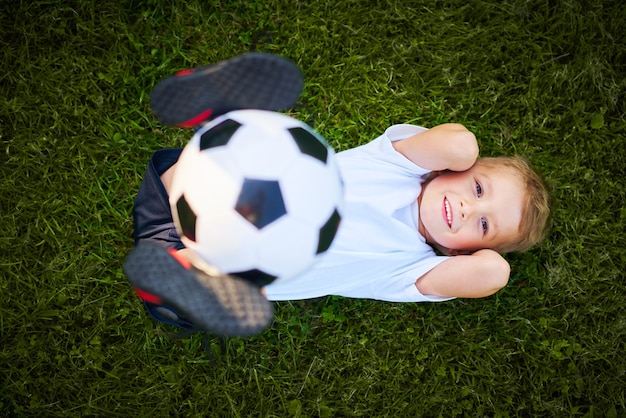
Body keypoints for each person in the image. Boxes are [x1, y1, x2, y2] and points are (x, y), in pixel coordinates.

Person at [124, 53, 551, 338]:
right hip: (189, 192)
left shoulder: (412, 270)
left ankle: (177, 276)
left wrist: (478, 245)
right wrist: (465, 161)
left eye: (483, 224)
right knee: (237, 156)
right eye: (477, 188)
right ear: (455, 170)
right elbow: (458, 144)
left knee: (218, 288)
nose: (466, 207)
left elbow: (492, 273)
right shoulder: (398, 164)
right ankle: (215, 116)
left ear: (467, 253)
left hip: (211, 260)